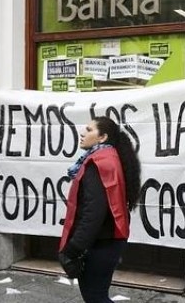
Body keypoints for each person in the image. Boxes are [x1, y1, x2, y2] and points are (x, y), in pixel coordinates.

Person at [58, 116, 141, 303]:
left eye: (88, 130)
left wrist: (72, 249)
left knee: (95, 296)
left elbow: (94, 212)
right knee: (96, 295)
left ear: (102, 137)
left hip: (103, 243)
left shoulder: (99, 164)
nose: (82, 133)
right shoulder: (107, 158)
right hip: (107, 241)